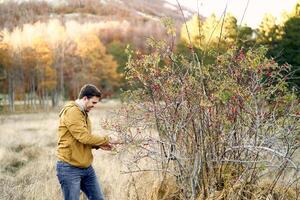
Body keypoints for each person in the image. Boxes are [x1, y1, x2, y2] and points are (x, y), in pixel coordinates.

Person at [56, 84, 113, 200]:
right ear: (85, 98)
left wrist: (99, 145)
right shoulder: (72, 112)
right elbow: (84, 137)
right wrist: (107, 140)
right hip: (69, 168)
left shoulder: (83, 112)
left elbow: (79, 140)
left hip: (86, 167)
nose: (94, 106)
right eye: (93, 102)